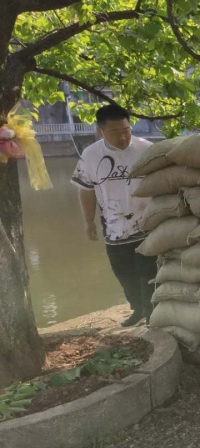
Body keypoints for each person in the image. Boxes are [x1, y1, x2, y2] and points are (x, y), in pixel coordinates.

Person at [71, 104, 156, 327]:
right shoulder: (91, 155)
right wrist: (88, 221)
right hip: (113, 227)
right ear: (101, 131)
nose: (123, 137)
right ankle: (138, 309)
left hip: (147, 225)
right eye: (116, 132)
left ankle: (152, 312)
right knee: (124, 273)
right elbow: (86, 189)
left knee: (148, 272)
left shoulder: (146, 150)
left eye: (126, 130)